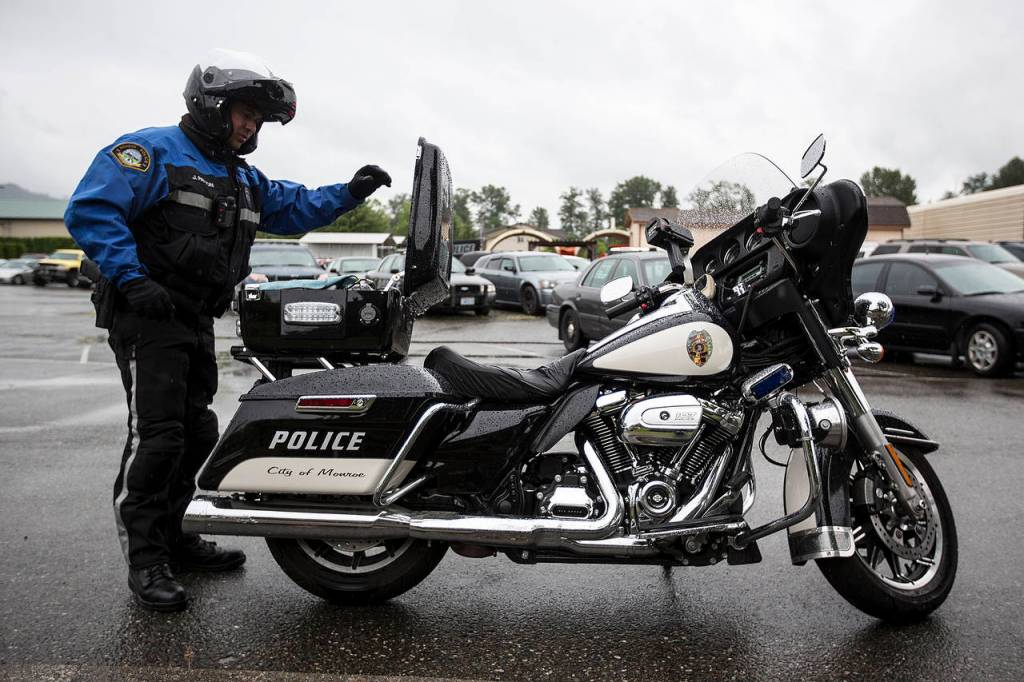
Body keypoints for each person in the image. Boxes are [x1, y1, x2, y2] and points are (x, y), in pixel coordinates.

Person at [64, 49, 392, 612]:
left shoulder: (241, 176)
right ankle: (146, 560)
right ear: (212, 104)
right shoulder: (151, 151)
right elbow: (91, 211)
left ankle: (175, 539)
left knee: (197, 431)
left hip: (192, 316)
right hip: (146, 314)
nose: (251, 127)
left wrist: (351, 191)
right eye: (246, 114)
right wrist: (132, 277)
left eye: (259, 121)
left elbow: (294, 205)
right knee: (159, 434)